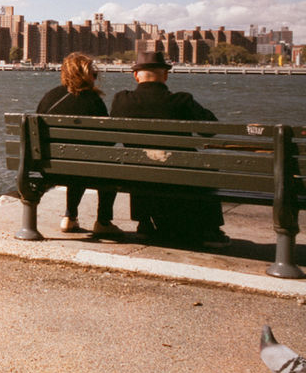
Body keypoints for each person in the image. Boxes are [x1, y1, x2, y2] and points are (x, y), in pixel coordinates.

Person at [109, 51, 230, 247]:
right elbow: (211, 131)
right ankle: (211, 230)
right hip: (179, 174)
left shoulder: (121, 99)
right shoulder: (181, 101)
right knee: (206, 168)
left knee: (140, 160)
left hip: (137, 174)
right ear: (165, 75)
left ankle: (145, 223)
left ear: (135, 75)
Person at [36, 52, 121, 236]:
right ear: (84, 74)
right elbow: (110, 140)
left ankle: (70, 217)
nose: (95, 77)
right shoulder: (93, 100)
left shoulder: (50, 97)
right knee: (100, 164)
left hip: (49, 167)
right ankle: (103, 221)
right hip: (82, 167)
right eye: (93, 73)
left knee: (78, 161)